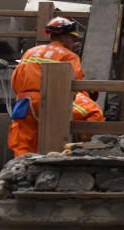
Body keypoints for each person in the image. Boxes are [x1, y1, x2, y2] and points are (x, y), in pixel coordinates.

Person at [8, 16, 85, 157]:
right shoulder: (69, 56)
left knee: (22, 139)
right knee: (53, 141)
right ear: (66, 37)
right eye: (72, 39)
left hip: (25, 101)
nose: (72, 43)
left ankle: (20, 171)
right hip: (52, 103)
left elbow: (15, 79)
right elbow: (74, 82)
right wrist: (67, 104)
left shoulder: (31, 52)